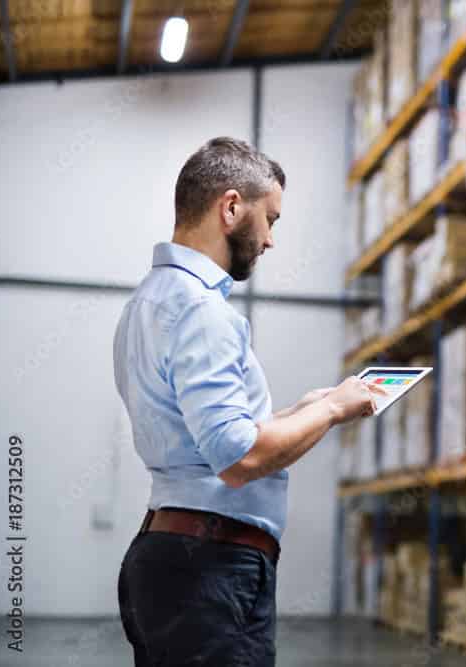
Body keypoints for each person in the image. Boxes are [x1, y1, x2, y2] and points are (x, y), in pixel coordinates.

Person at [113, 137, 381, 666]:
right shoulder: (203, 313)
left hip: (170, 559)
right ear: (232, 207)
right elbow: (239, 459)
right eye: (271, 220)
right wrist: (330, 412)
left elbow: (204, 436)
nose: (271, 240)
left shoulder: (148, 301)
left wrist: (299, 412)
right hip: (210, 571)